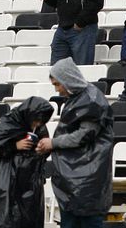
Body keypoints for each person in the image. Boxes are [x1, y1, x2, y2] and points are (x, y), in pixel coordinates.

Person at [37, 59, 113, 228]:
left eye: (58, 84)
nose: (57, 89)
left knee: (87, 221)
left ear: (67, 79)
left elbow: (83, 135)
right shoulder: (78, 97)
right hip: (74, 175)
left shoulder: (91, 100)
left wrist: (53, 143)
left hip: (87, 175)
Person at [0, 97, 54, 228]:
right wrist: (14, 146)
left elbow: (44, 151)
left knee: (27, 218)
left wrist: (41, 149)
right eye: (35, 120)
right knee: (1, 217)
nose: (36, 124)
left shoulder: (40, 127)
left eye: (40, 121)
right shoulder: (8, 122)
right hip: (4, 180)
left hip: (28, 182)